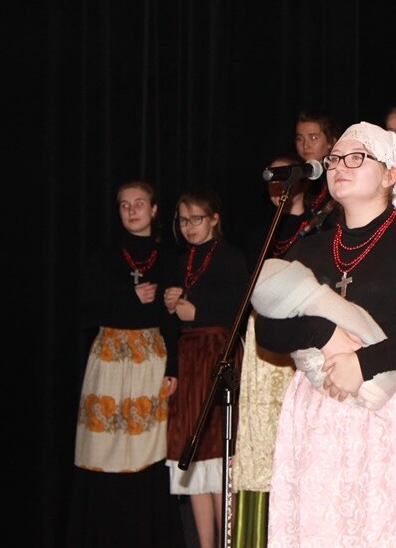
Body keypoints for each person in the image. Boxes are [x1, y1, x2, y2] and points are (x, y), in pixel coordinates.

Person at [251, 121, 396, 546]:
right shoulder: (310, 246)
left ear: (390, 175)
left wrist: (361, 362)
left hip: (394, 399)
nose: (339, 166)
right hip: (319, 405)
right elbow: (268, 331)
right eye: (335, 158)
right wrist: (322, 332)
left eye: (356, 157)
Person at [68, 180, 185, 548]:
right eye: (124, 205)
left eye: (139, 204)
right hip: (109, 358)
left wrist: (174, 368)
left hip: (150, 359)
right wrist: (127, 295)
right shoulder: (104, 257)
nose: (132, 211)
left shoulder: (169, 258)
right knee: (104, 447)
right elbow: (83, 313)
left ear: (154, 210)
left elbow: (172, 321)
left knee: (147, 451)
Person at [163, 188, 249, 548]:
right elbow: (170, 325)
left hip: (218, 354)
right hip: (188, 358)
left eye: (196, 219)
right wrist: (170, 302)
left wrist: (197, 311)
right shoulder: (180, 260)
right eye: (183, 220)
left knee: (218, 449)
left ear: (214, 219)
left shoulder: (230, 257)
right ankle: (205, 543)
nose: (188, 227)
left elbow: (239, 309)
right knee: (193, 453)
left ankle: (228, 540)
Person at [232, 156, 306, 548]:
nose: (280, 187)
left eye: (286, 178)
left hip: (306, 329)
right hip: (265, 334)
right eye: (273, 180)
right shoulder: (259, 233)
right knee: (263, 434)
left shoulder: (320, 225)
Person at [294, 109, 343, 229]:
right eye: (300, 139)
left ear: (331, 141)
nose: (305, 145)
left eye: (313, 137)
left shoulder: (341, 176)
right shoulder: (296, 177)